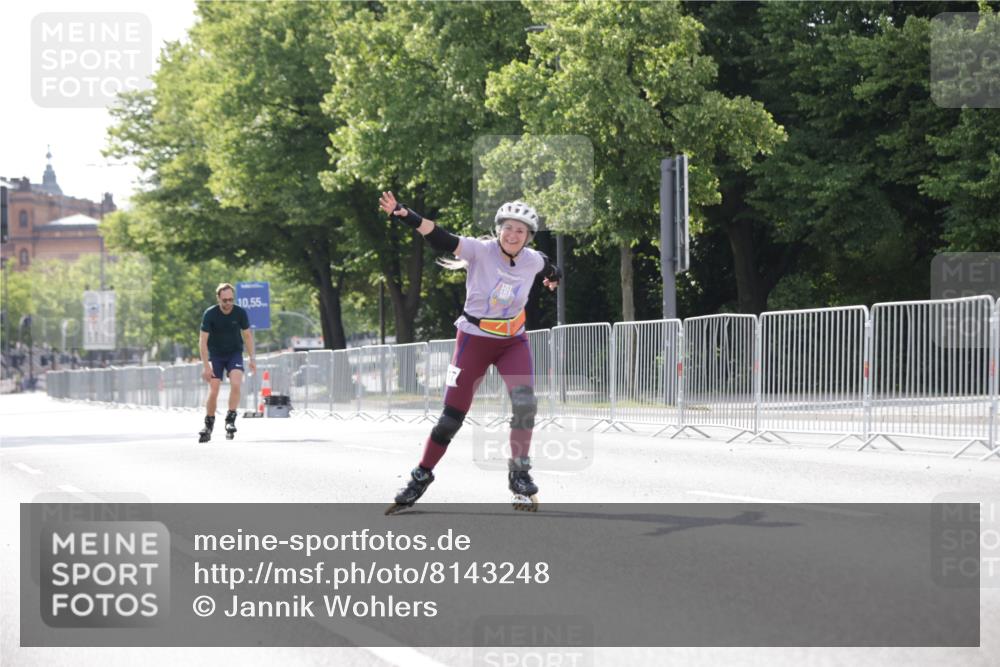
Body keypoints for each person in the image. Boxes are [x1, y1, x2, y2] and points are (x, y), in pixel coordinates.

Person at [378, 192, 561, 512]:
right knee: (451, 418)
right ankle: (421, 475)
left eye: (520, 231)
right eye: (508, 228)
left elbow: (551, 268)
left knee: (524, 403)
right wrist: (405, 215)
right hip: (473, 339)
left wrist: (552, 279)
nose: (513, 235)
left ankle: (519, 473)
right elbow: (440, 237)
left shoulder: (533, 259)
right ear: (499, 230)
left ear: (528, 237)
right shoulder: (480, 250)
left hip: (512, 341)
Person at [198, 283, 256, 442]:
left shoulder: (240, 313)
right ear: (218, 298)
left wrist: (252, 358)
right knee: (214, 388)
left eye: (231, 299)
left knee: (236, 383)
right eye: (225, 300)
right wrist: (206, 366)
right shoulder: (210, 314)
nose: (228, 303)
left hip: (234, 354)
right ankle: (208, 424)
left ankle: (230, 419)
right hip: (215, 355)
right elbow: (202, 341)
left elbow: (247, 336)